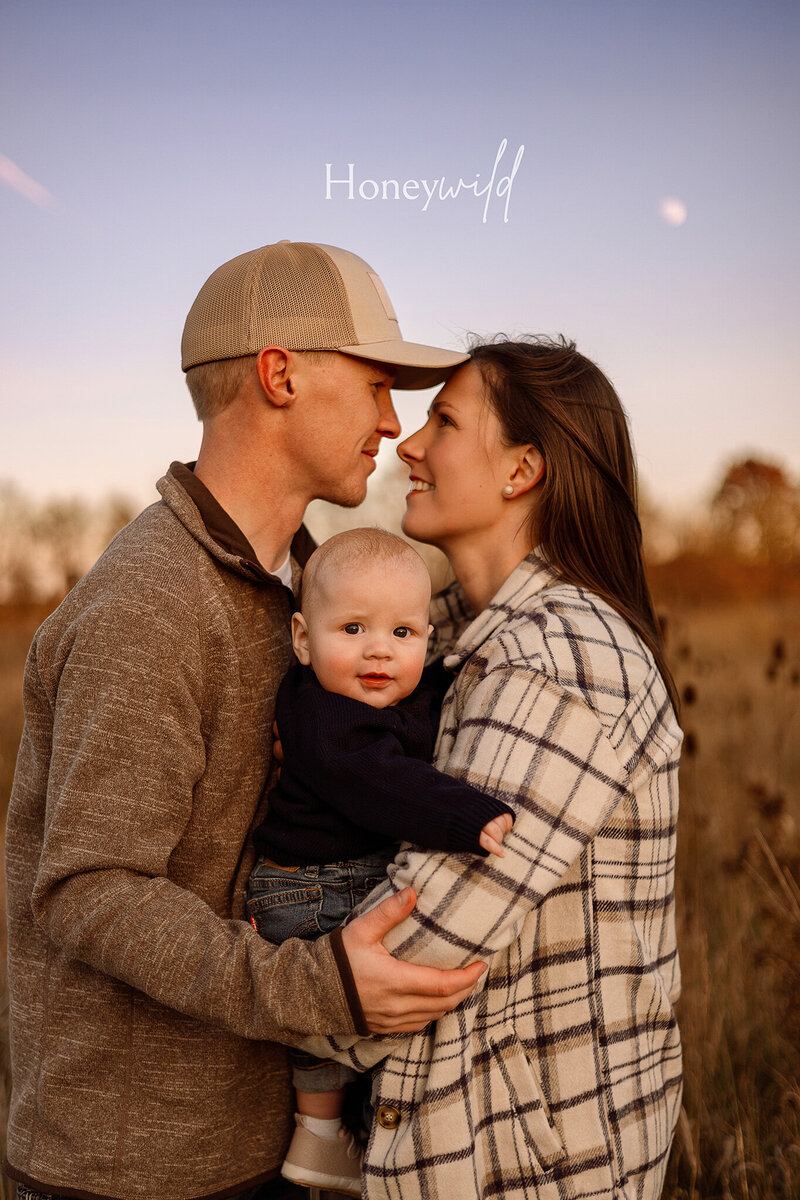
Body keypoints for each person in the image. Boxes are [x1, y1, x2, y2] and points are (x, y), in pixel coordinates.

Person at [3, 240, 488, 1200]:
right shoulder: (152, 603)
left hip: (252, 1140)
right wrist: (319, 986)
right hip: (132, 1166)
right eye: (377, 383)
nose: (394, 422)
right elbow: (87, 889)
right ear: (280, 375)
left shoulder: (306, 590)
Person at [302, 337, 684, 1200]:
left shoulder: (561, 657)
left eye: (444, 421)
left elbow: (422, 941)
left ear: (522, 471)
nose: (408, 445)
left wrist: (251, 988)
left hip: (531, 1165)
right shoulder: (440, 640)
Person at [246, 527, 515, 1195]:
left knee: (358, 1004)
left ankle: (336, 1129)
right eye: (355, 628)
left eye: (402, 634)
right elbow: (385, 783)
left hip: (325, 878)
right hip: (308, 888)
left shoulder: (377, 692)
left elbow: (414, 715)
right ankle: (318, 1134)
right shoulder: (324, 721)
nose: (378, 649)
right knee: (331, 1007)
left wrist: (446, 679)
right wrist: (464, 814)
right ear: (304, 640)